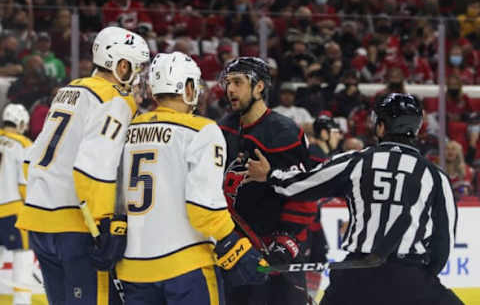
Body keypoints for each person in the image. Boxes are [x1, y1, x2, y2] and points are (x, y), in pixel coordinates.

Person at [245, 92, 464, 305]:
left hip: (355, 276)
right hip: (410, 277)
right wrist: (417, 279)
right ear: (416, 128)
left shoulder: (358, 161)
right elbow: (443, 242)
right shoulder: (435, 176)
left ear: (381, 126)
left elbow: (303, 185)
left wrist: (270, 175)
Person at [115, 51, 266, 305]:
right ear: (187, 87)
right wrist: (232, 241)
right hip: (186, 266)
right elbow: (203, 207)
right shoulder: (201, 130)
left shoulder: (129, 129)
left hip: (133, 267)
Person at [15, 26, 150, 305]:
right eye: (136, 67)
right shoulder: (115, 99)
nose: (138, 76)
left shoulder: (69, 90)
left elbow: (32, 157)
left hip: (40, 222)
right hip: (76, 228)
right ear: (121, 65)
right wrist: (104, 226)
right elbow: (93, 168)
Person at [218, 57, 315, 305]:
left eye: (238, 82)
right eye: (228, 83)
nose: (230, 90)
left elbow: (304, 193)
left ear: (259, 86)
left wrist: (286, 243)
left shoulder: (284, 133)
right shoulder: (222, 129)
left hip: (271, 254)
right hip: (234, 253)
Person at [0, 104, 35, 305]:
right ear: (21, 123)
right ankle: (21, 302)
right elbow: (24, 183)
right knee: (23, 256)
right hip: (12, 211)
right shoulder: (23, 144)